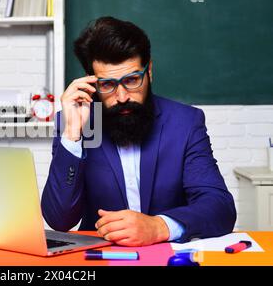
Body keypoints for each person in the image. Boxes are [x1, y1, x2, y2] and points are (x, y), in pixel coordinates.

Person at [41, 16, 236, 246]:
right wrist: (73, 134)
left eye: (132, 80)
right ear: (92, 84)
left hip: (168, 255)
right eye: (107, 85)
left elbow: (219, 207)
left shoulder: (185, 122)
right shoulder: (77, 124)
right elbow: (58, 220)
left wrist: (159, 226)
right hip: (99, 257)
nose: (122, 97)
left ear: (149, 71)